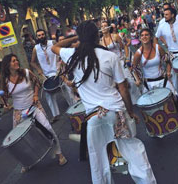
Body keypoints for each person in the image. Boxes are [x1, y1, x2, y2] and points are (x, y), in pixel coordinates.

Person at [52, 21, 156, 184]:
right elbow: (123, 89)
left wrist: (75, 37)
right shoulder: (110, 56)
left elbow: (55, 47)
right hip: (116, 113)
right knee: (133, 151)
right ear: (97, 36)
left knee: (98, 162)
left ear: (81, 37)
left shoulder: (72, 55)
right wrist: (130, 112)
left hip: (94, 118)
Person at [0, 54, 67, 169]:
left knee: (48, 129)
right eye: (13, 61)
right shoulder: (5, 81)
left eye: (16, 60)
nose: (16, 62)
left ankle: (59, 154)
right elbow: (4, 97)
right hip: (19, 112)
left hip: (33, 107)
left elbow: (37, 82)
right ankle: (26, 163)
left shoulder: (26, 72)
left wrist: (35, 95)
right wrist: (5, 105)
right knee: (21, 140)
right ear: (7, 65)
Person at [100, 21, 139, 103]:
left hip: (120, 61)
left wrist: (127, 58)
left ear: (109, 27)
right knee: (118, 85)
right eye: (102, 26)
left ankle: (136, 100)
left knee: (129, 81)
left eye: (105, 25)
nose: (103, 27)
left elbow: (124, 46)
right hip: (111, 65)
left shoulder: (115, 36)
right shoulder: (100, 42)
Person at [31, 29, 61, 120]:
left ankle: (74, 109)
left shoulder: (53, 42)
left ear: (45, 34)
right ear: (37, 37)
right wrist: (39, 70)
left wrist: (60, 65)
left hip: (58, 72)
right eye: (39, 35)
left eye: (42, 34)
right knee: (49, 96)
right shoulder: (36, 48)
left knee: (67, 90)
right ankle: (55, 115)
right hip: (46, 75)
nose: (41, 37)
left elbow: (60, 54)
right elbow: (32, 62)